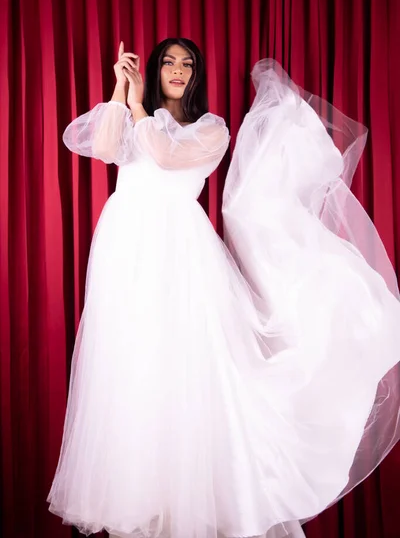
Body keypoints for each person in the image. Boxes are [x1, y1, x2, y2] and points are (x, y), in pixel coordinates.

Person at [47, 37, 400, 538]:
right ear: (153, 69)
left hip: (180, 255)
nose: (176, 70)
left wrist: (135, 105)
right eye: (167, 61)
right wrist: (119, 90)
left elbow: (165, 156)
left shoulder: (210, 130)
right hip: (124, 251)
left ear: (196, 75)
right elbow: (103, 148)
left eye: (186, 63)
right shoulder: (133, 115)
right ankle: (145, 500)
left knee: (187, 370)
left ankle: (194, 507)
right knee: (132, 367)